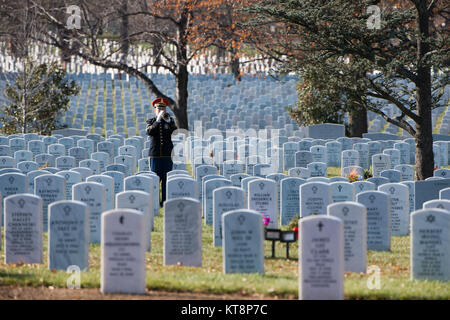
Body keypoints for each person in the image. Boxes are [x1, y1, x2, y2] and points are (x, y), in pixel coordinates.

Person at [146, 97, 177, 207]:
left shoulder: (170, 120)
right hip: (155, 155)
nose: (161, 110)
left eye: (163, 108)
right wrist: (158, 120)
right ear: (155, 109)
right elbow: (150, 132)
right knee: (155, 179)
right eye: (159, 108)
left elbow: (175, 133)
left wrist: (169, 123)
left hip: (167, 154)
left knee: (166, 180)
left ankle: (164, 202)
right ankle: (154, 202)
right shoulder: (151, 121)